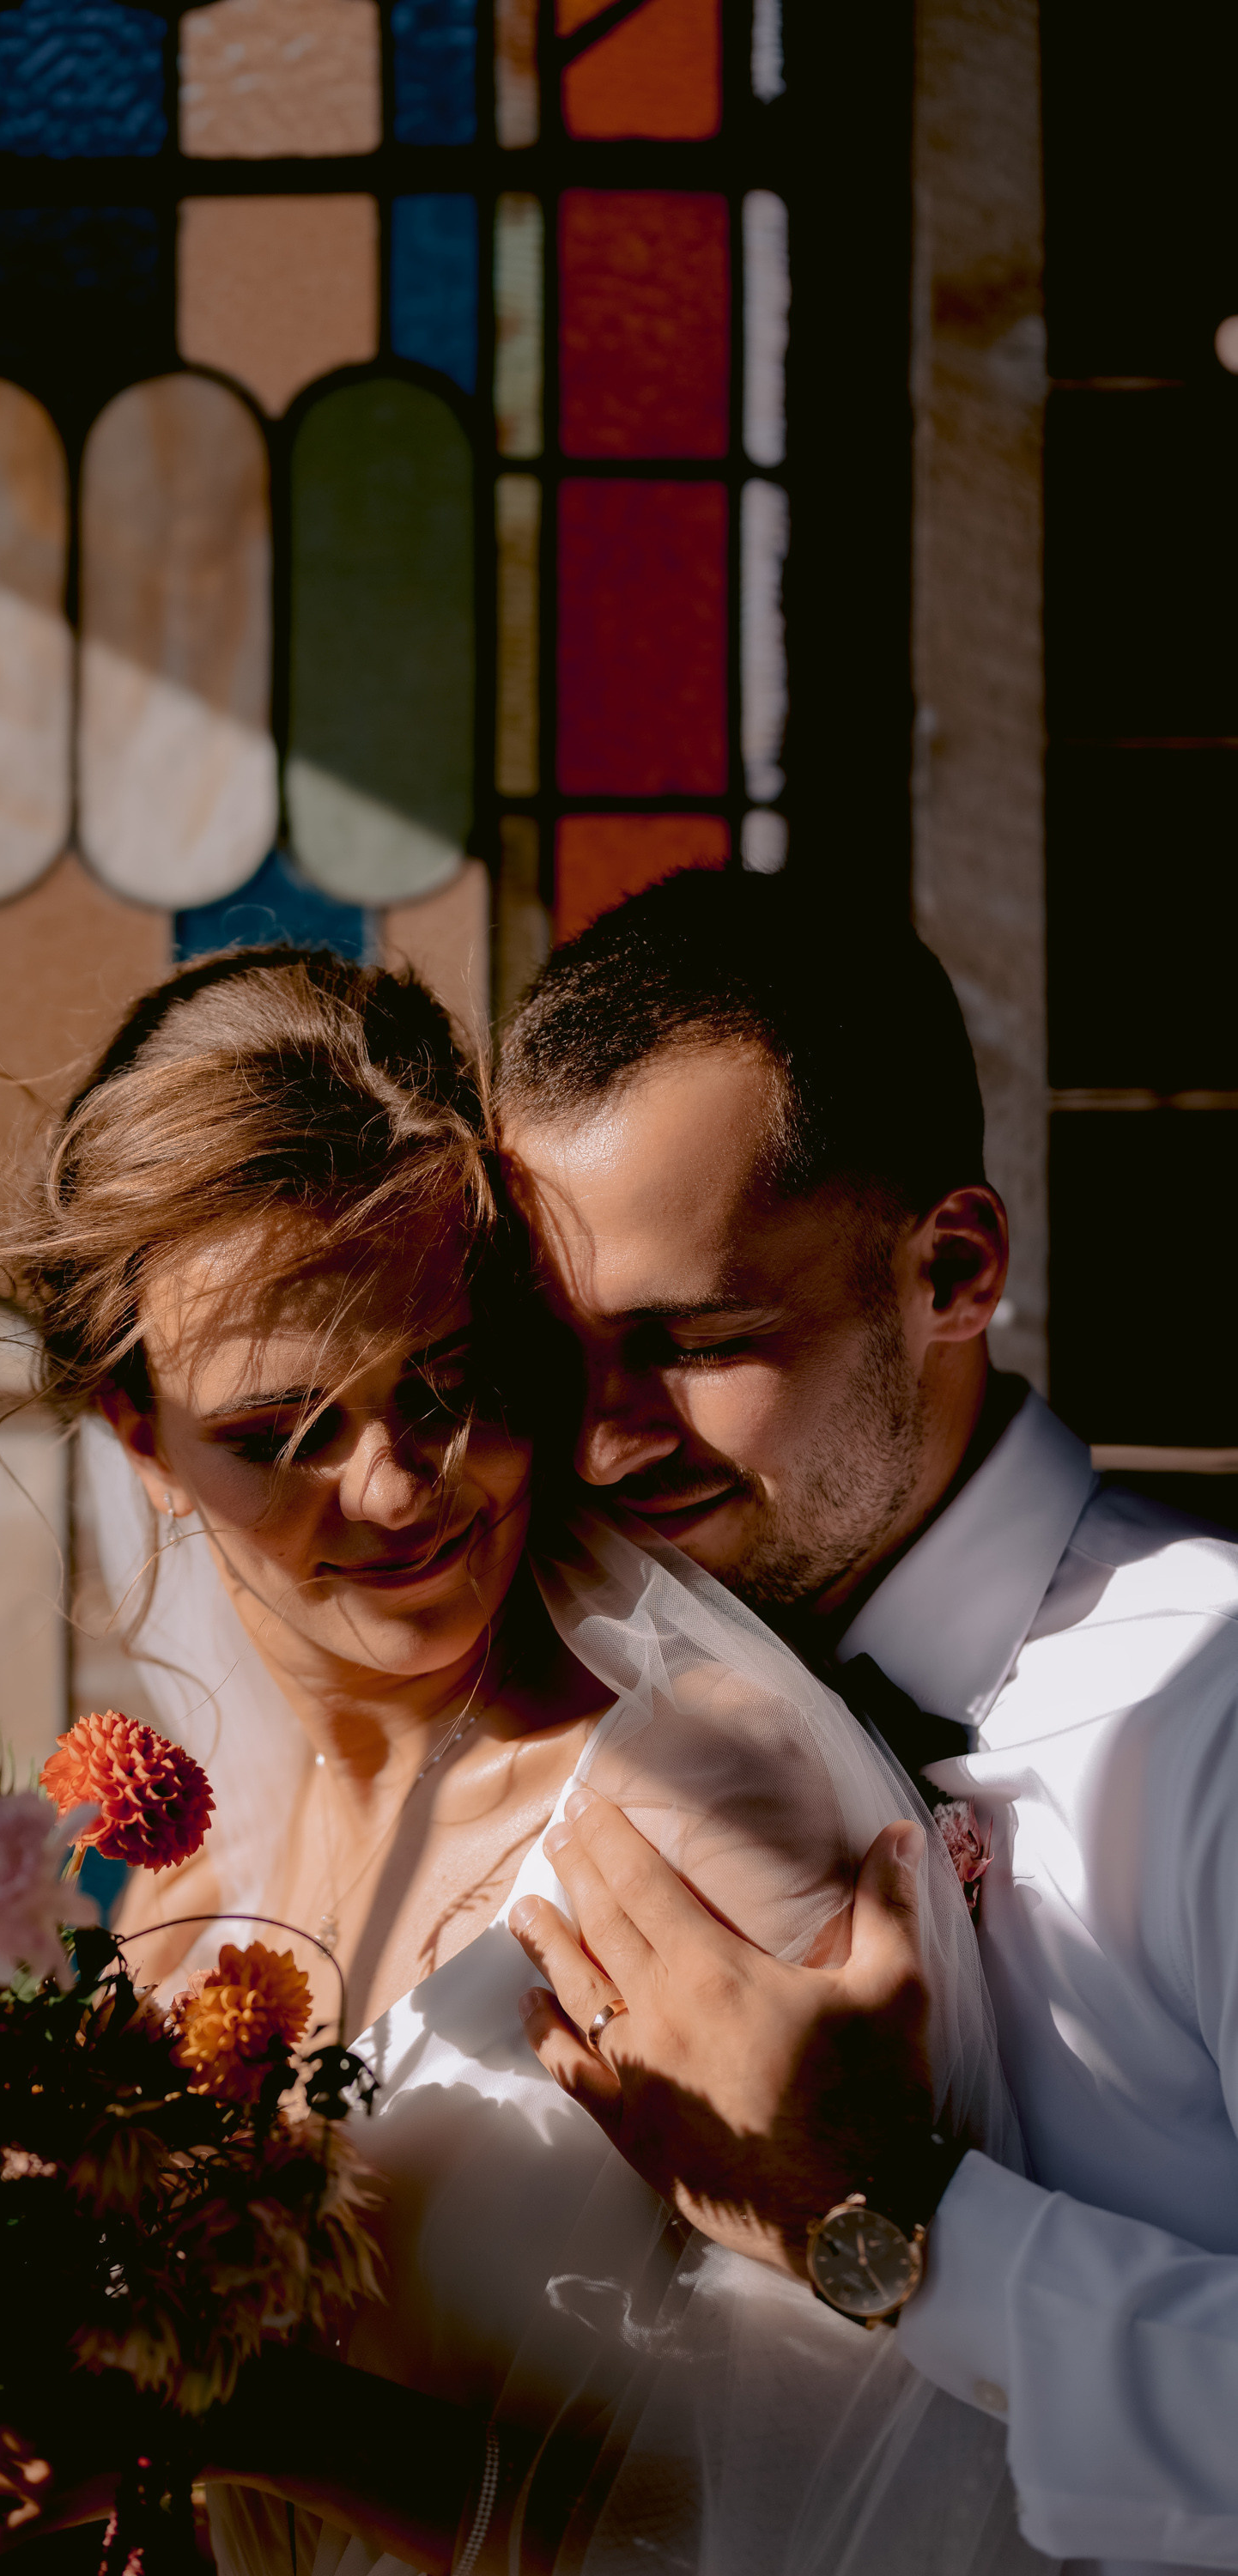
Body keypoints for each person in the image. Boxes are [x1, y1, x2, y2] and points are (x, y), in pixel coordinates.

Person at [0, 947, 1037, 2573]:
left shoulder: (700, 1802)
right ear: (139, 1436)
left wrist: (219, 2415)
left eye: (447, 1387)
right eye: (285, 1435)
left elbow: (893, 2513)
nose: (399, 1490)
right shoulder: (176, 1895)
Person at [495, 868, 1238, 2576]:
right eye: (553, 1360)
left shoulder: (1200, 1715)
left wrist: (891, 2228)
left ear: (952, 1268)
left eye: (690, 1340)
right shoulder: (561, 1684)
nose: (599, 1445)